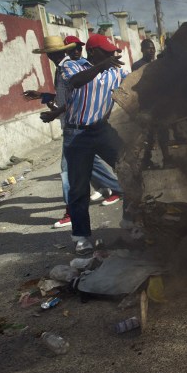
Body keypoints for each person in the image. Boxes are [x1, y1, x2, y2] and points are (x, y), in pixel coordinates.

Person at [26, 36, 124, 229]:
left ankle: (76, 211)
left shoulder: (74, 66)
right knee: (85, 171)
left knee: (70, 171)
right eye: (52, 53)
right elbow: (70, 95)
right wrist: (48, 102)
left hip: (87, 129)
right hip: (74, 129)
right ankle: (111, 191)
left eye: (58, 52)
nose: (56, 55)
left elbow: (77, 92)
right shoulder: (65, 68)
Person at [61, 34, 127, 254]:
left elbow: (136, 83)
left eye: (112, 51)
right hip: (77, 133)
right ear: (92, 52)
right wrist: (101, 66)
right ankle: (81, 236)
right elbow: (75, 82)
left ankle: (130, 222)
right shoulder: (72, 66)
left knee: (131, 168)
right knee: (79, 187)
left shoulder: (116, 71)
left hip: (102, 130)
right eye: (106, 51)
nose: (111, 54)